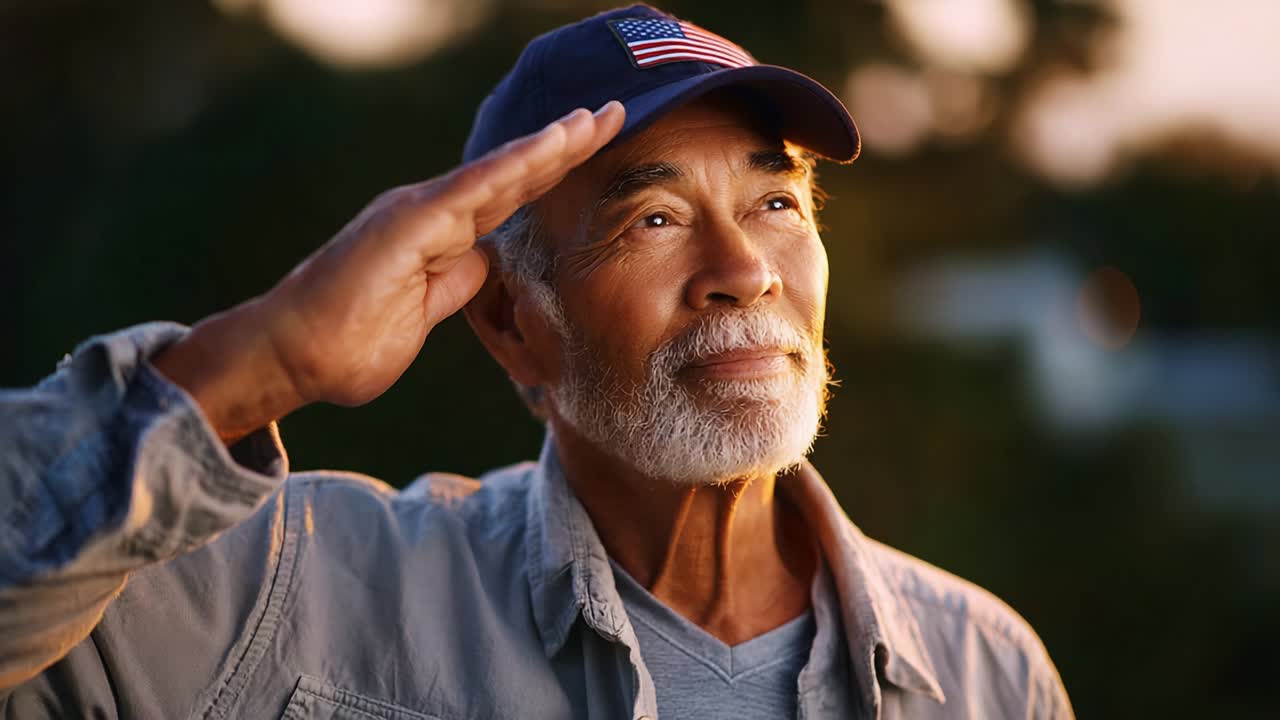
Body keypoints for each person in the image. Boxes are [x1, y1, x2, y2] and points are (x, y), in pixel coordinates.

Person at [0, 4, 1072, 718]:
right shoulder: (301, 597)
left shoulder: (984, 671)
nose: (743, 269)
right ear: (512, 321)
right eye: (653, 219)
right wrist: (266, 357)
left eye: (776, 202)